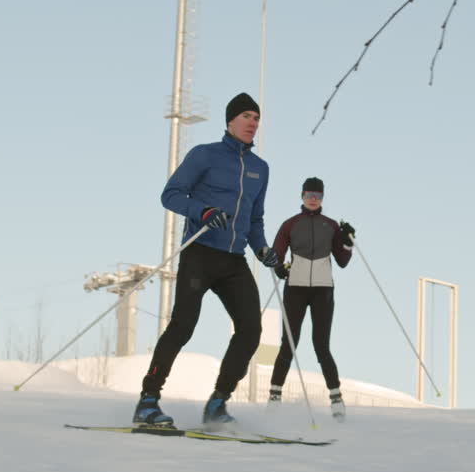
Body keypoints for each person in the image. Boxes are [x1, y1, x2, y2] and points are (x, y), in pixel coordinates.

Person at [133, 92, 280, 428]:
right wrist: (204, 211)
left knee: (250, 330)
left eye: (257, 118)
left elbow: (255, 219)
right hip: (200, 252)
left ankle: (217, 403)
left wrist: (262, 249)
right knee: (183, 326)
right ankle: (147, 402)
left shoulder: (260, 169)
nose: (253, 123)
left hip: (234, 260)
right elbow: (170, 195)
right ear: (229, 121)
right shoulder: (205, 155)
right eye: (246, 116)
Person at [267, 177, 355, 420]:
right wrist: (279, 267)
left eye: (317, 196)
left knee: (321, 346)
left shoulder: (331, 226)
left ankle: (336, 399)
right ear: (302, 196)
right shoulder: (291, 224)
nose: (313, 200)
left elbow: (343, 261)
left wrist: (347, 242)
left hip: (323, 289)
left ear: (323, 198)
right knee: (289, 343)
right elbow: (277, 252)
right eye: (309, 195)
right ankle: (274, 396)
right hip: (295, 287)